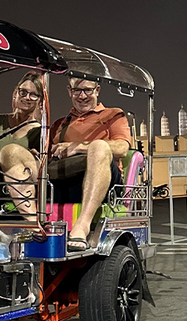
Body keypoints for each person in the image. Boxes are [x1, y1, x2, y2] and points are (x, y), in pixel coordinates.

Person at [49, 77, 131, 251]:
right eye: (77, 90)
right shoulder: (59, 124)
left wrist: (78, 147)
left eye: (88, 90)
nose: (82, 96)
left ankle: (83, 225)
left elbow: (122, 148)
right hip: (65, 182)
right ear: (69, 91)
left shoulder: (113, 115)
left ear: (97, 90)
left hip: (105, 182)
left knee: (99, 146)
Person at [0, 71, 43, 218]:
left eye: (33, 95)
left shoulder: (38, 132)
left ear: (40, 101)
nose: (27, 97)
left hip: (4, 191)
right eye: (23, 92)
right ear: (15, 92)